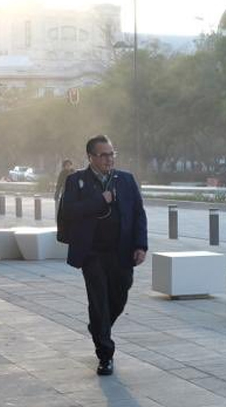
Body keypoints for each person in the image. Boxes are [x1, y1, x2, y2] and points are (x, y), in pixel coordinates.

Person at [58, 135, 148, 376]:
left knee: (120, 295)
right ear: (91, 157)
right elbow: (69, 212)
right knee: (99, 300)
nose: (109, 159)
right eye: (104, 155)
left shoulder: (126, 180)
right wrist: (101, 200)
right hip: (92, 253)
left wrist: (141, 245)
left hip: (122, 251)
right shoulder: (76, 181)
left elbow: (139, 214)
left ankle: (99, 327)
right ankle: (105, 354)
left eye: (112, 154)